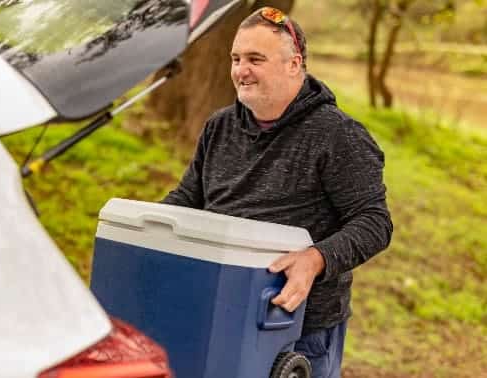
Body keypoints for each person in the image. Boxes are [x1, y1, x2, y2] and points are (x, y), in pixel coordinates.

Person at [161, 7, 393, 378]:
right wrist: (149, 233)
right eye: (236, 58)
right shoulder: (219, 126)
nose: (240, 70)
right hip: (214, 305)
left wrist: (315, 258)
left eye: (255, 58)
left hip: (297, 326)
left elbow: (375, 222)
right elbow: (189, 199)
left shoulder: (338, 135)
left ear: (293, 63)